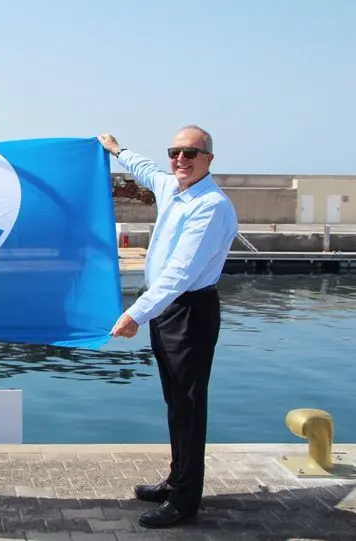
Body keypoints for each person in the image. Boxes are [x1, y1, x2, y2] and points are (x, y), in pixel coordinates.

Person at [98, 126, 238, 528]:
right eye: (175, 152)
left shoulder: (211, 205)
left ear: (208, 159)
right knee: (175, 401)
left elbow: (180, 272)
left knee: (189, 406)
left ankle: (184, 502)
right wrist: (117, 149)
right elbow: (145, 170)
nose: (181, 159)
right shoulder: (172, 186)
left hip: (189, 312)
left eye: (191, 153)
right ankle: (177, 480)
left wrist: (134, 315)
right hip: (167, 310)